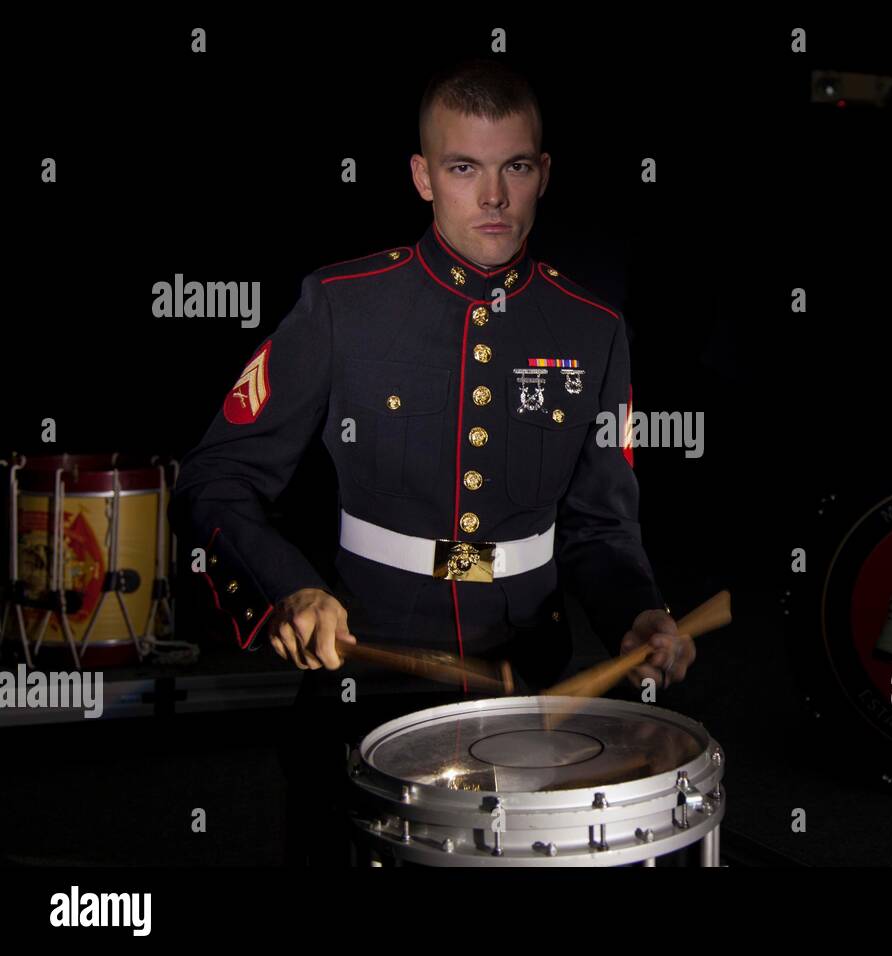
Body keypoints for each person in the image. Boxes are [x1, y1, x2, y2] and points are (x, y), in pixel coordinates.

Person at [168, 58, 695, 863]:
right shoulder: (343, 307)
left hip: (531, 692)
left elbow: (599, 525)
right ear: (422, 176)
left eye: (514, 167)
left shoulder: (593, 329)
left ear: (542, 173)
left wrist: (641, 610)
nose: (493, 197)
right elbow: (217, 477)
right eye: (463, 168)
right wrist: (292, 589)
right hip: (367, 680)